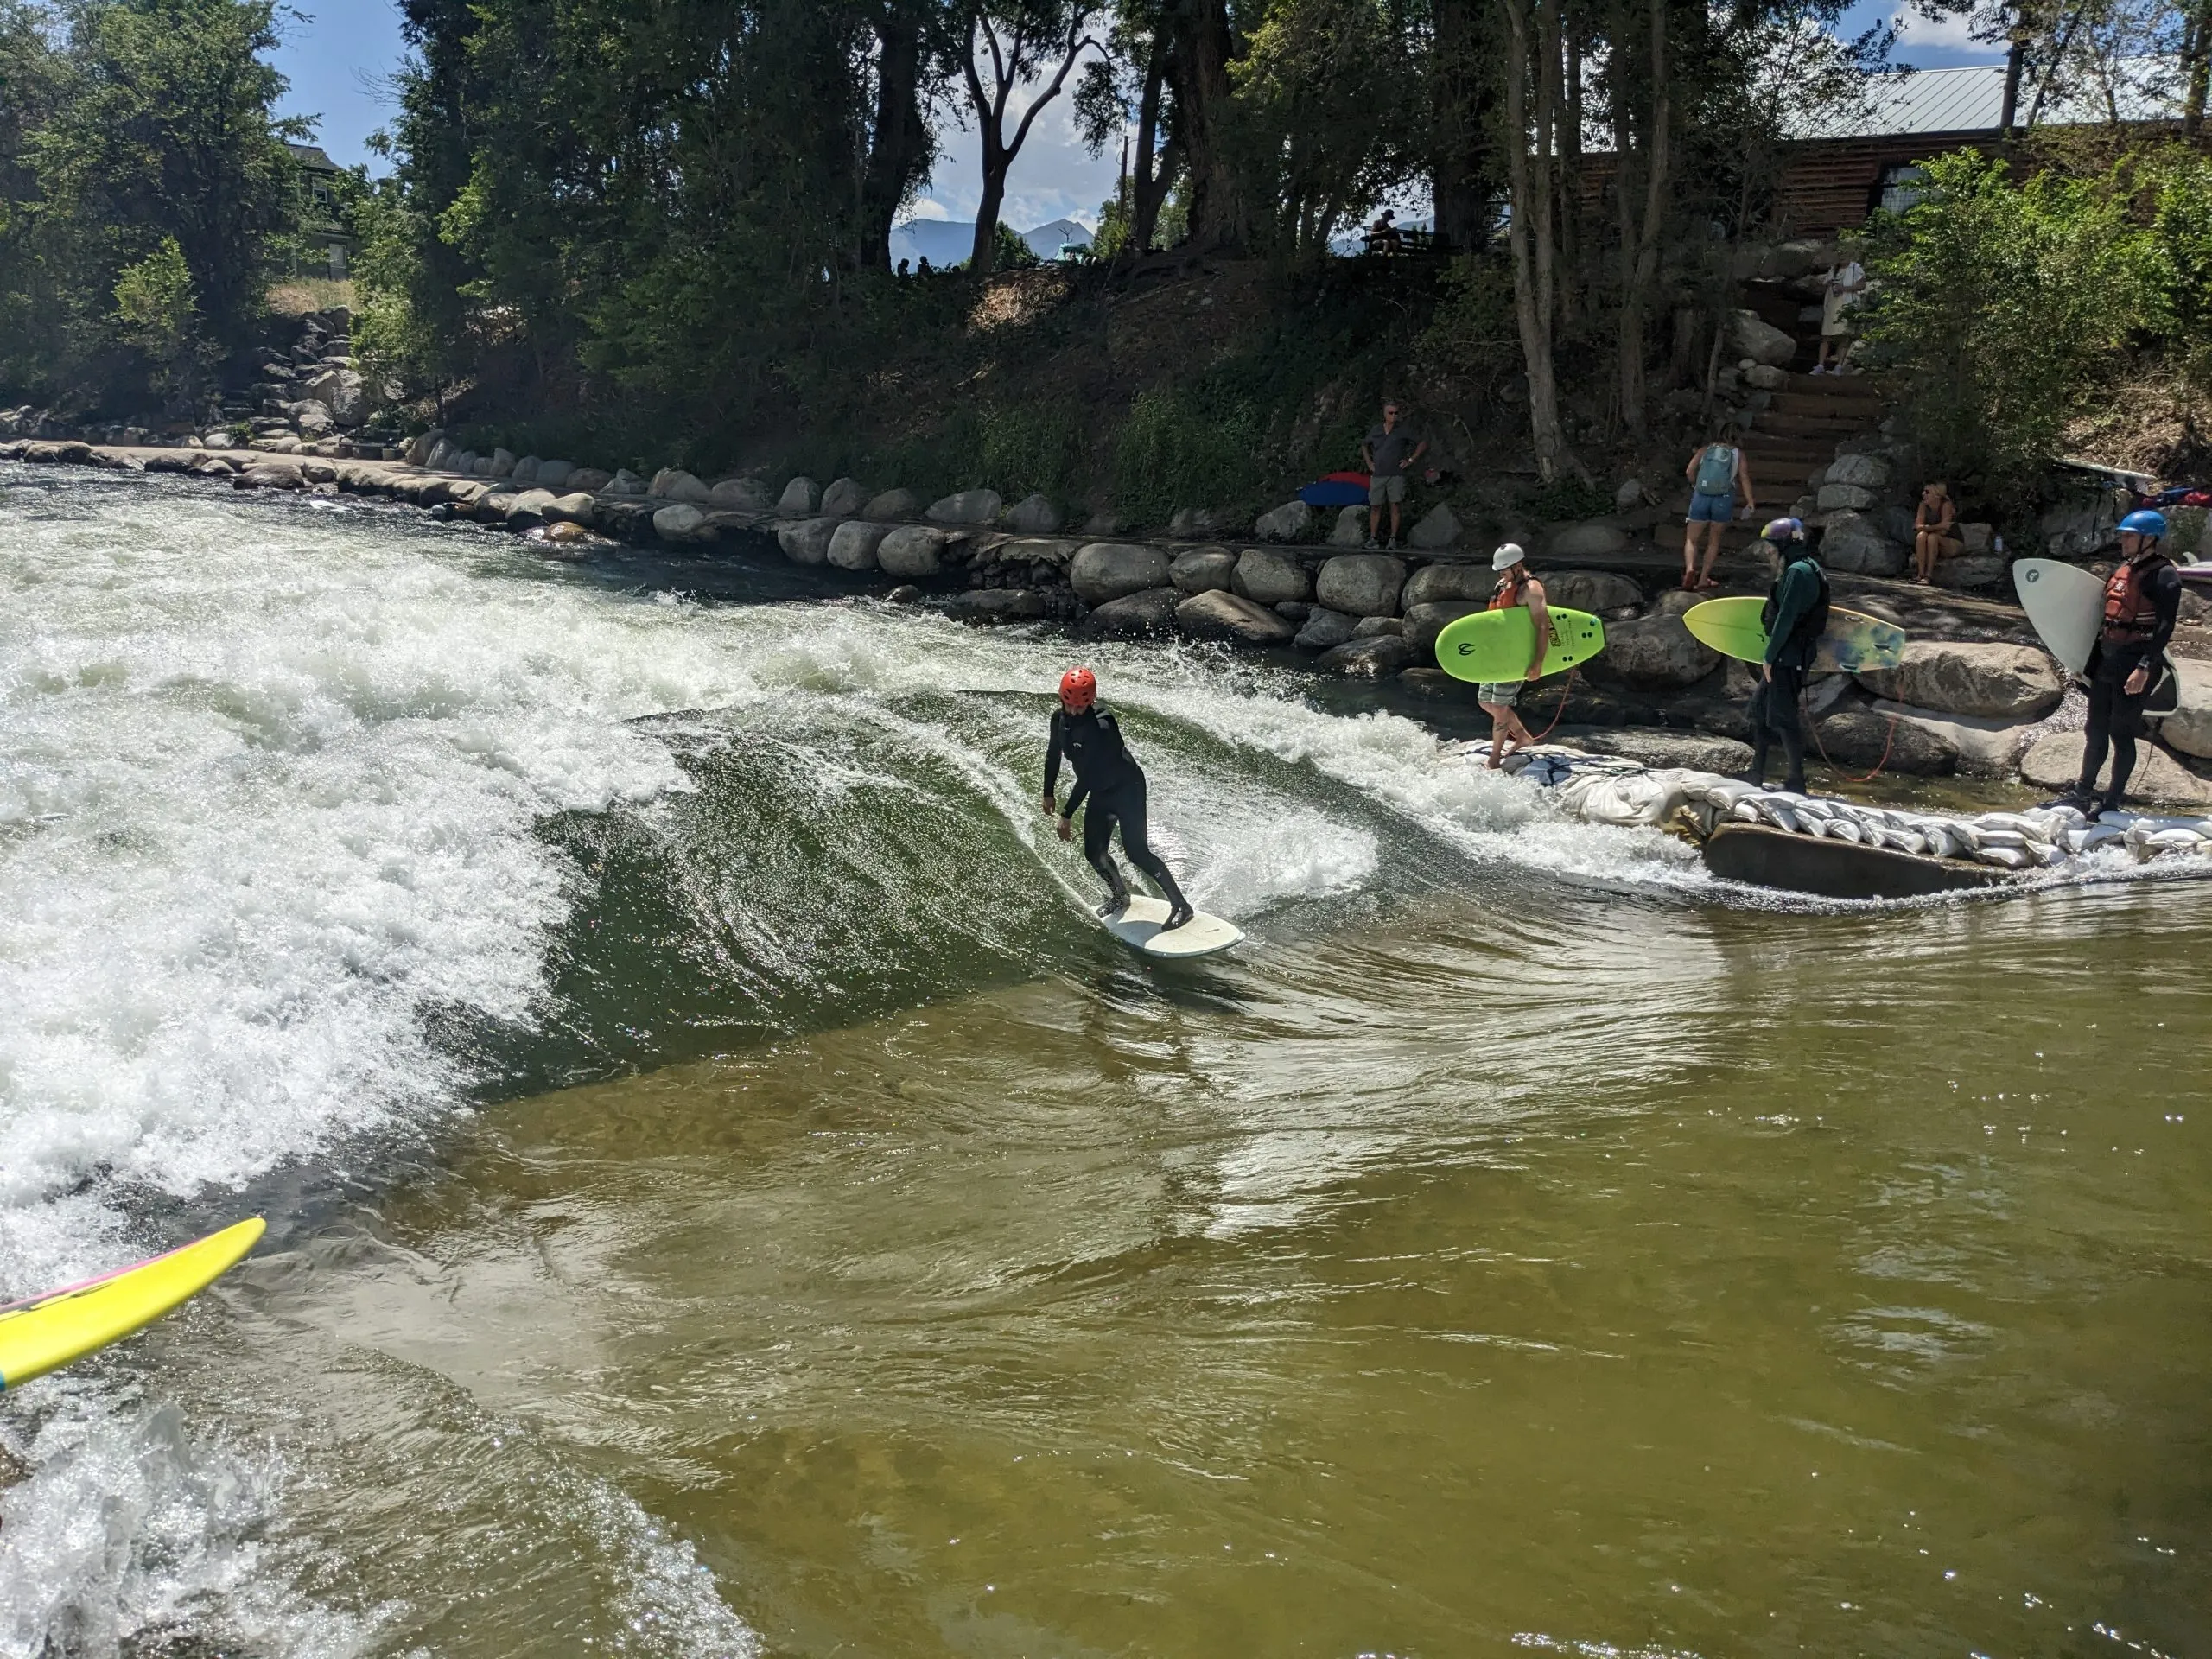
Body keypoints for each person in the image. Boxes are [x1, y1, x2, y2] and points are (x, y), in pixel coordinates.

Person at [1042, 667, 1194, 929]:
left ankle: (1182, 905)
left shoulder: (1102, 726)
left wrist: (1067, 814)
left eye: (1082, 706)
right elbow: (1053, 753)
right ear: (1062, 698)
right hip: (1101, 794)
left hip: (1128, 791)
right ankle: (1120, 896)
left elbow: (1089, 775)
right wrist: (1048, 791)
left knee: (1137, 853)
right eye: (1071, 705)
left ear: (1091, 701)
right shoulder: (1059, 719)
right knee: (1094, 853)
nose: (1076, 711)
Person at [2063, 511, 2181, 816]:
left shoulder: (2164, 575)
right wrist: (2083, 664)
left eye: (2129, 535)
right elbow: (2103, 621)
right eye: (2123, 534)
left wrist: (2144, 667)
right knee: (2095, 729)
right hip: (2107, 659)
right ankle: (2082, 793)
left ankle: (2112, 802)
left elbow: (2165, 628)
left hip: (2136, 662)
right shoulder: (2124, 569)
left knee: (2121, 732)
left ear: (2149, 539)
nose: (2123, 540)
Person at [1745, 517, 1827, 795]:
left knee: (1783, 717)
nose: (1768, 551)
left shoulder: (1799, 572)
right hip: (1786, 654)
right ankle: (1756, 773)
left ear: (1782, 545)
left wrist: (1769, 656)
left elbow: (1787, 618)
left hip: (1789, 656)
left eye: (1771, 546)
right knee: (1759, 711)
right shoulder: (1799, 567)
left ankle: (1796, 781)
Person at [1478, 543, 1550, 769]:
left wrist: (1537, 662)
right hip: (1498, 653)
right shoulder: (1502, 585)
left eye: (1505, 569)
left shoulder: (1532, 589)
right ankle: (1522, 736)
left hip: (1517, 656)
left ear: (1518, 566)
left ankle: (1494, 759)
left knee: (1499, 707)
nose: (1501, 574)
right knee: (1485, 701)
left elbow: (1542, 627)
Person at [1681, 430, 1754, 592]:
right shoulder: (1738, 454)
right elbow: (1743, 477)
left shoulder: (1705, 450)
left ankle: (1689, 570)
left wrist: (1697, 486)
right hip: (1723, 498)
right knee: (1714, 540)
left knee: (1691, 539)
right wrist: (1750, 501)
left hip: (1701, 496)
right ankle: (1702, 579)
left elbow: (1689, 471)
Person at [1362, 401, 1427, 550]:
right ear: (1385, 415)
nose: (1394, 416)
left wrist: (1410, 460)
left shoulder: (1402, 430)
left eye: (1396, 413)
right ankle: (1372, 538)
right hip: (1378, 474)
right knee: (1375, 506)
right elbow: (1364, 444)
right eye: (1391, 413)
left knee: (1395, 506)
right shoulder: (1376, 430)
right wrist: (1369, 463)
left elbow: (1422, 443)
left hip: (1396, 474)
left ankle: (1393, 539)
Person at [1812, 248, 1866, 374]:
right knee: (1826, 336)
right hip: (1831, 306)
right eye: (1840, 255)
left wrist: (1844, 288)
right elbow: (1825, 284)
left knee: (1844, 336)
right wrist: (1829, 283)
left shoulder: (1856, 268)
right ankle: (1820, 365)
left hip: (1846, 305)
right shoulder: (1834, 269)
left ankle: (1839, 366)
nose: (1842, 258)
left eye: (1844, 255)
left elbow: (1862, 285)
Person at [1911, 480, 1959, 585]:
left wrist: (1926, 527)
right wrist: (1936, 526)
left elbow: (1943, 531)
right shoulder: (1923, 506)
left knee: (1932, 537)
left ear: (1937, 495)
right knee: (1921, 536)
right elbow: (1918, 528)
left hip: (1951, 541)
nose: (1923, 494)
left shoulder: (1946, 505)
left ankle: (1929, 575)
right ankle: (1920, 574)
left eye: (1927, 492)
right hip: (1932, 539)